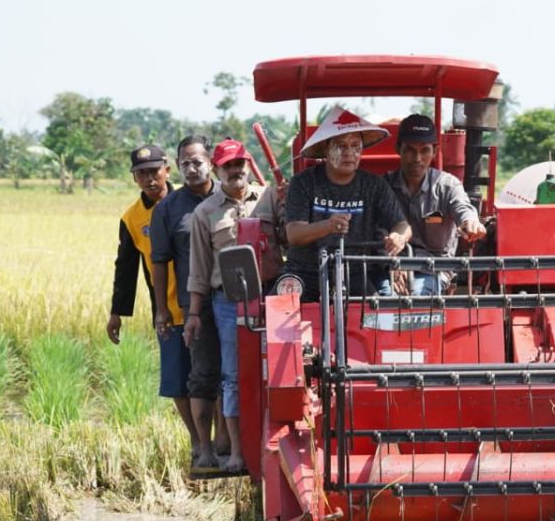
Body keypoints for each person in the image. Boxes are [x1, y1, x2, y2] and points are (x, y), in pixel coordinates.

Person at [185, 139, 278, 473]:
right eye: (228, 165)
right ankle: (238, 453)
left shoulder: (270, 197)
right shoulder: (205, 213)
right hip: (228, 301)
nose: (236, 170)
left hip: (272, 296)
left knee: (278, 372)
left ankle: (274, 449)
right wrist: (194, 315)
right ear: (217, 168)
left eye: (240, 163)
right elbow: (198, 269)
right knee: (232, 376)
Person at [106, 144, 196, 453]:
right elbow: (126, 266)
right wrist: (117, 312)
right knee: (176, 382)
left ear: (167, 171)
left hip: (200, 306)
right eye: (141, 174)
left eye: (154, 171)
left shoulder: (190, 201)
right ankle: (197, 440)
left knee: (211, 379)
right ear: (135, 179)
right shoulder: (131, 219)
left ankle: (219, 440)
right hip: (167, 311)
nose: (149, 179)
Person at [282, 106, 411, 302]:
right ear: (326, 148)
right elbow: (294, 234)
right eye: (341, 145)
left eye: (355, 146)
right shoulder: (303, 182)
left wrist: (398, 237)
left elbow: (403, 225)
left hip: (355, 272)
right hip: (305, 272)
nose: (349, 152)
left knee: (382, 319)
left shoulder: (374, 185)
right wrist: (327, 226)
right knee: (277, 320)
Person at [150, 135, 225, 467]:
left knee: (232, 373)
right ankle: (203, 446)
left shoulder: (228, 197)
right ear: (176, 166)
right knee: (200, 375)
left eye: (197, 162)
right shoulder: (167, 208)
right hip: (192, 304)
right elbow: (159, 261)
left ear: (210, 162)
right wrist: (162, 309)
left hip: (231, 297)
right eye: (185, 163)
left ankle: (226, 442)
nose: (191, 169)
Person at [384, 114, 486, 295]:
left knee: (416, 297)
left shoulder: (447, 185)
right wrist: (395, 266)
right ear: (398, 148)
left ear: (435, 151)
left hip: (434, 269)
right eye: (410, 150)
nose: (417, 158)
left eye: (424, 150)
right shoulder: (383, 186)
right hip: (391, 268)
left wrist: (470, 222)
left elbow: (463, 208)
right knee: (381, 297)